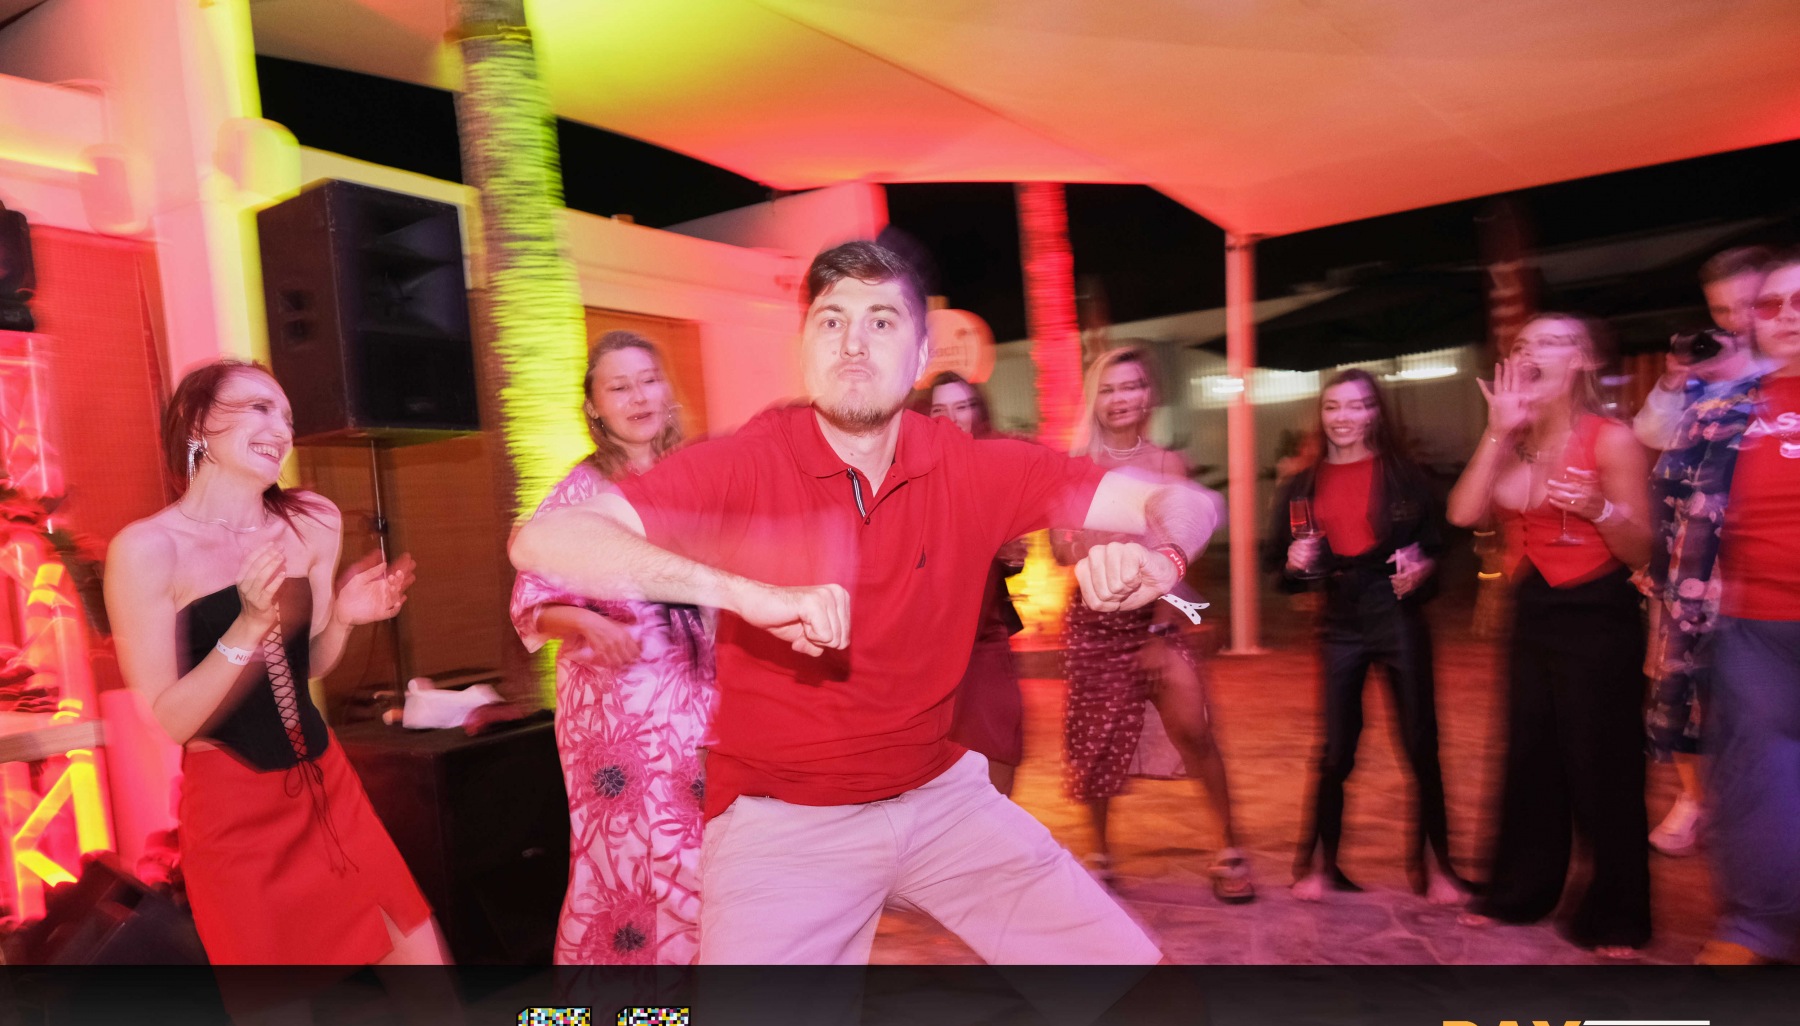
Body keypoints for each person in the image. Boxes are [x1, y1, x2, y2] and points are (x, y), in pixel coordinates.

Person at [511, 240, 1220, 965]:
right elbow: (542, 542)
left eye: (881, 321)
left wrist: (1163, 559)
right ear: (804, 347)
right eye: (831, 321)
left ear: (920, 357)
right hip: (781, 824)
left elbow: (1185, 502)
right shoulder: (744, 463)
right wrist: (743, 594)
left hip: (944, 802)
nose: (853, 342)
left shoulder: (975, 469)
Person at [104, 359, 440, 965]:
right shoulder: (147, 549)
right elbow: (171, 720)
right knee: (277, 1016)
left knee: (428, 977)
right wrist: (248, 626)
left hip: (329, 785)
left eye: (286, 417)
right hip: (235, 815)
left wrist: (344, 617)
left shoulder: (312, 521)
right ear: (199, 424)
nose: (282, 429)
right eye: (260, 408)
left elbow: (310, 665)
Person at [1447, 315, 1654, 958]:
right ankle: (1520, 892)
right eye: (1521, 344)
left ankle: (1618, 913)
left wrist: (1599, 509)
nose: (1530, 350)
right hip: (1533, 606)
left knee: (1603, 762)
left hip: (1598, 610)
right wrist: (1496, 430)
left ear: (1584, 359)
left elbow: (1642, 549)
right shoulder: (1513, 440)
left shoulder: (1611, 439)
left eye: (1550, 341)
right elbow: (1463, 512)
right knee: (1530, 755)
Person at [510, 330, 716, 965]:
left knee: (698, 862)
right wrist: (585, 621)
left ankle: (682, 1019)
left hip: (696, 705)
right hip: (614, 715)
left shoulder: (696, 477)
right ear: (594, 408)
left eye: (649, 380)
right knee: (622, 870)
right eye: (620, 387)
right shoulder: (581, 491)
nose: (639, 397)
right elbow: (531, 600)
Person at [1053, 346, 1250, 903]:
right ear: (1095, 399)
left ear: (1148, 396)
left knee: (1194, 727)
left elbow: (1179, 555)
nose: (1121, 399)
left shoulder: (1167, 464)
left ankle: (1228, 846)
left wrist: (1160, 634)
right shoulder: (1074, 466)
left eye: (1132, 386)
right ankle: (1100, 854)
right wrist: (1078, 538)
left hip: (1155, 616)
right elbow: (1062, 553)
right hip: (1094, 619)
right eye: (1109, 389)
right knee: (1094, 742)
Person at [1265, 369, 1466, 903]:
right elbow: (1282, 570)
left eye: (1356, 406)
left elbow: (1438, 545)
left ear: (1375, 413)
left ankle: (1436, 868)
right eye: (1333, 407)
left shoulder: (1406, 476)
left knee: (1420, 742)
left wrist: (1422, 566)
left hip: (1396, 612)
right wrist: (1294, 564)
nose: (1343, 417)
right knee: (1335, 749)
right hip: (1340, 618)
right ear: (1321, 414)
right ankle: (1319, 866)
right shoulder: (1301, 485)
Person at [1659, 250, 1800, 964]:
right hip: (1755, 628)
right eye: (1771, 305)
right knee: (1758, 783)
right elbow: (1672, 512)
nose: (1787, 316)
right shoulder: (1721, 412)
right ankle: (1756, 925)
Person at [1636, 246, 1772, 857]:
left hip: (1761, 566)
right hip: (1689, 563)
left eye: (1750, 303)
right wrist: (1676, 378)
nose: (1736, 320)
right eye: (1722, 309)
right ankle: (1695, 799)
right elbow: (1651, 435)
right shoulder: (1709, 372)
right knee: (1681, 689)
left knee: (1760, 697)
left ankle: (1758, 813)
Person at [924, 371, 1028, 796]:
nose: (952, 418)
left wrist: (1010, 553)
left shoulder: (995, 469)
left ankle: (995, 826)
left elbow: (1013, 554)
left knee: (1001, 741)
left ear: (977, 413)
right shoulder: (908, 474)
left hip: (984, 635)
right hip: (928, 643)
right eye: (939, 409)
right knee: (937, 759)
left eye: (963, 406)